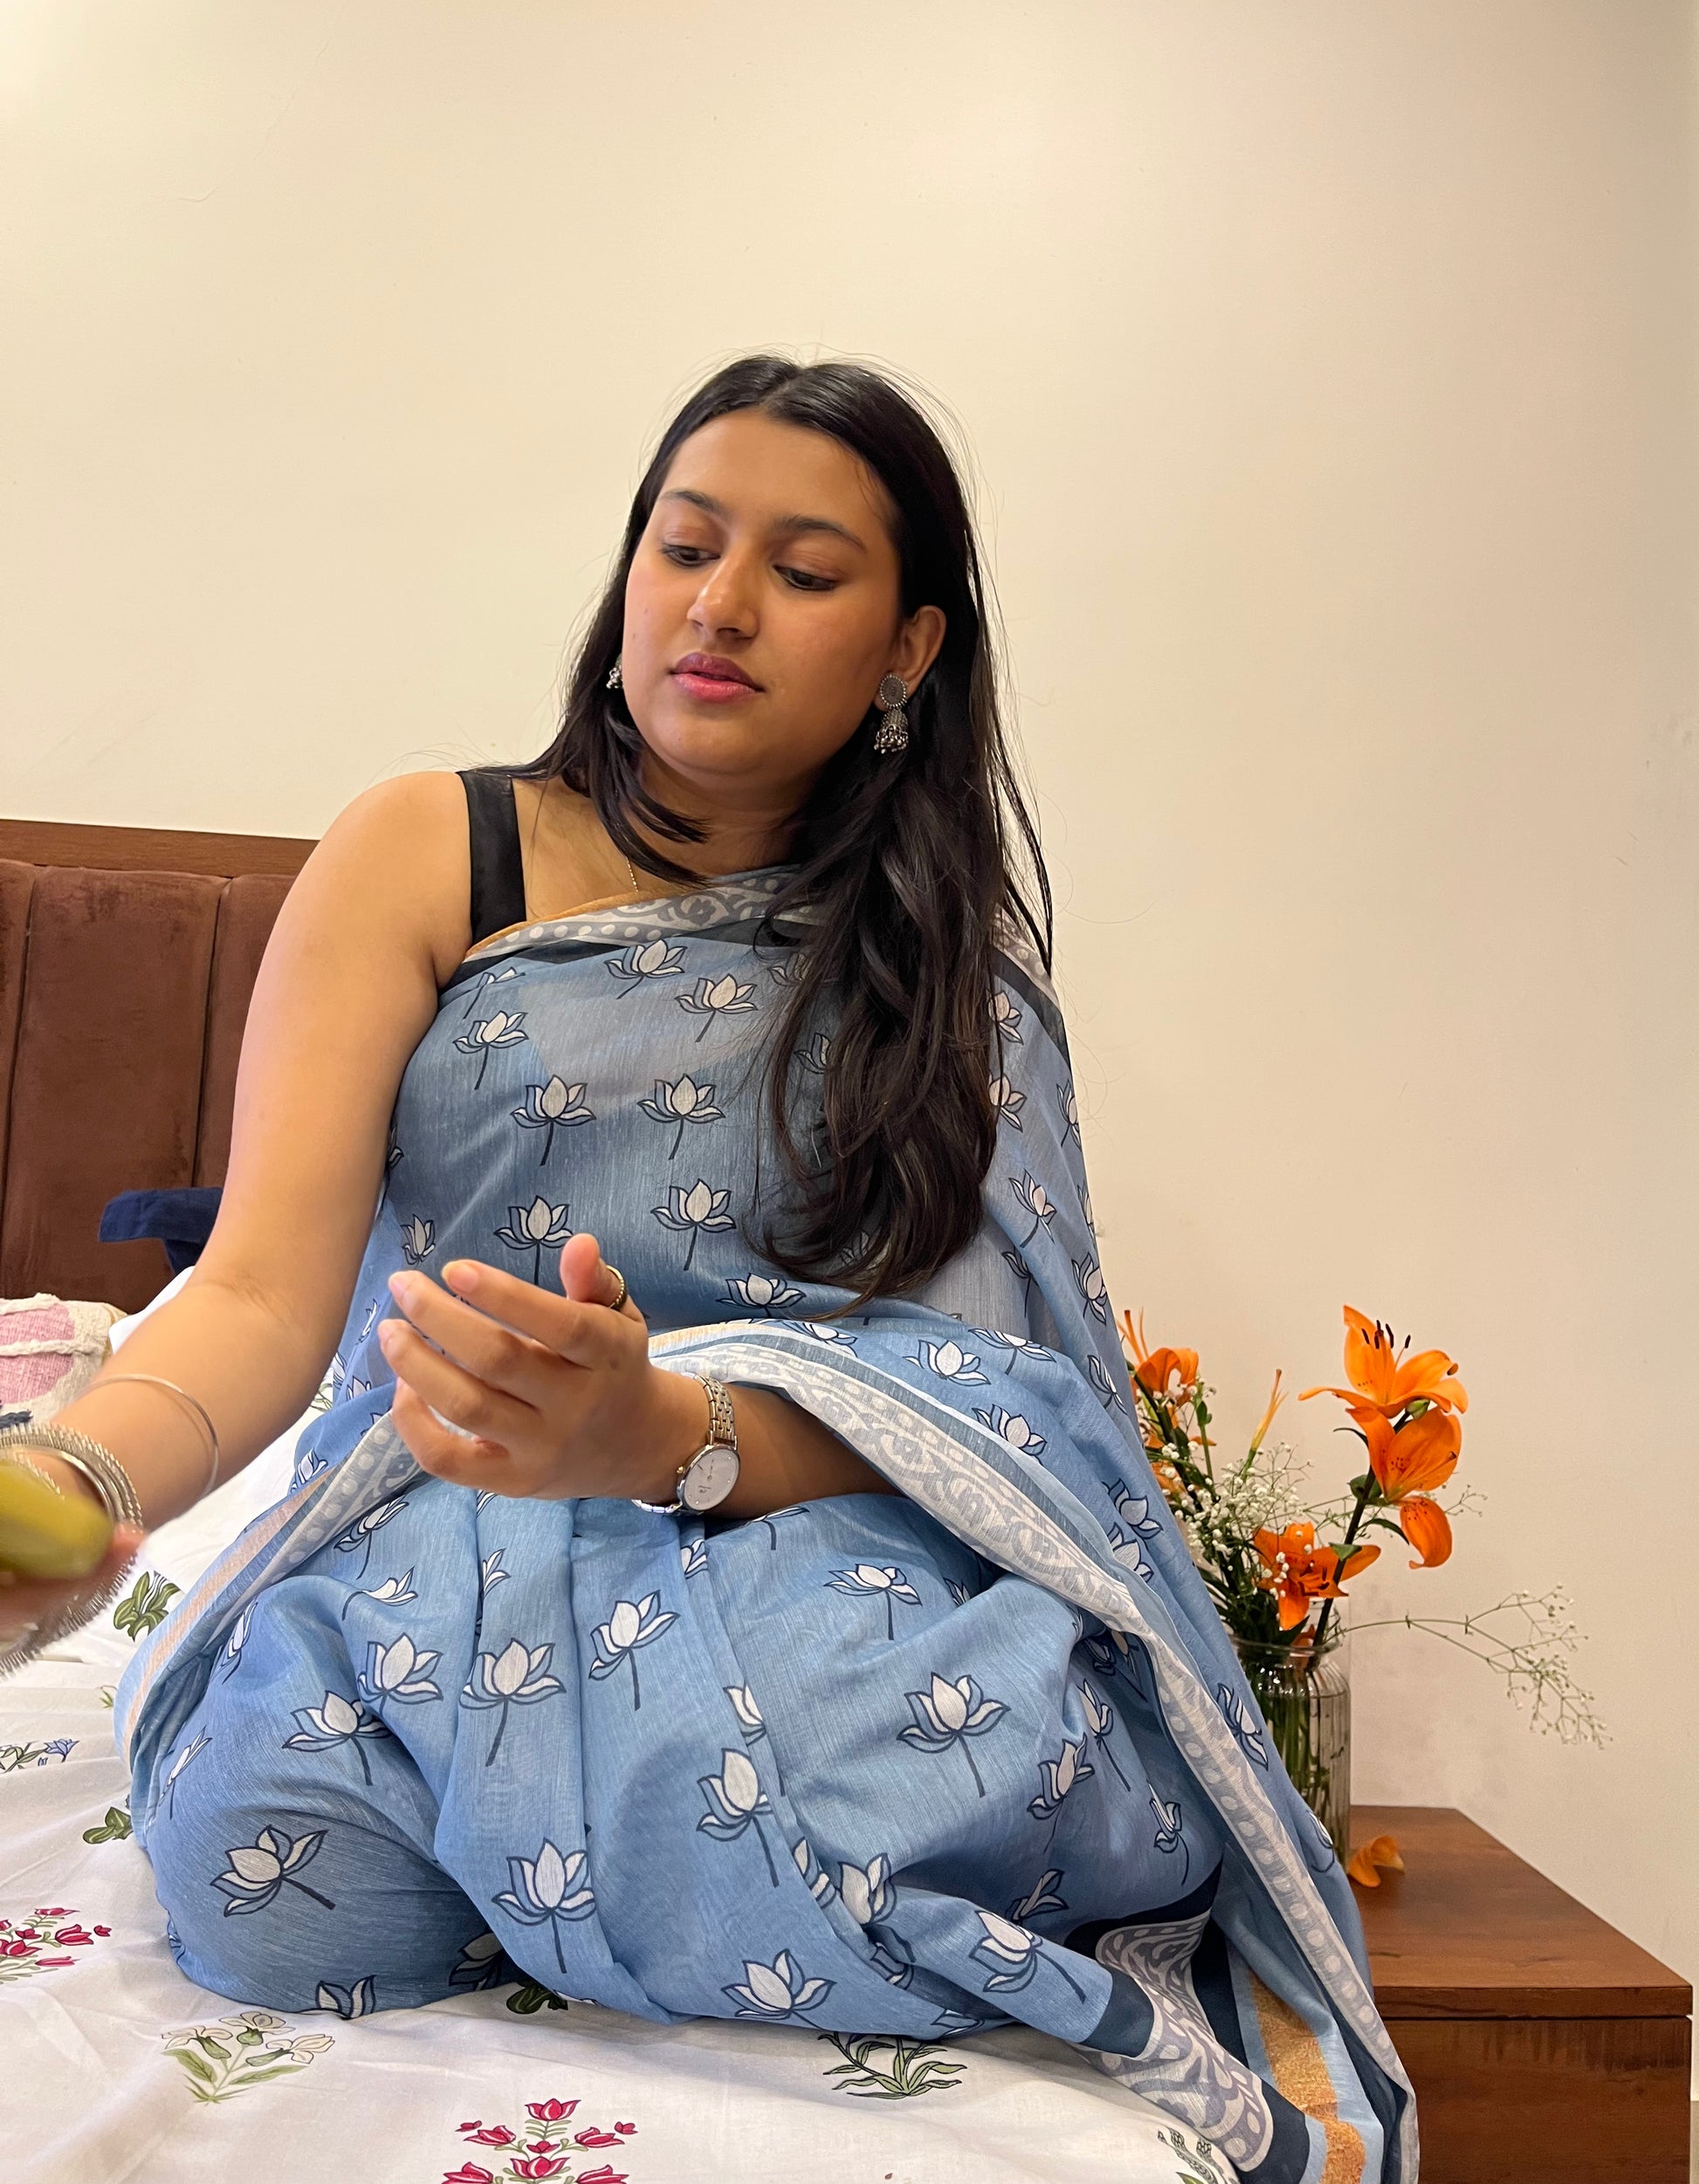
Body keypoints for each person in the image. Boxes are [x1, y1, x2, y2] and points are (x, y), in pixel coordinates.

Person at [0, 356, 1412, 2181]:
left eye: (805, 572)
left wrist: (662, 1427)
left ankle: (585, 1850)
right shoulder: (432, 846)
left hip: (804, 1542)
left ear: (907, 649)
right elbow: (263, 1294)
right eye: (684, 542)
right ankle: (627, 1856)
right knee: (277, 1873)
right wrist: (76, 1472)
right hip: (436, 1510)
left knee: (929, 1763)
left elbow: (1001, 1393)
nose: (720, 603)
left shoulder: (950, 989)